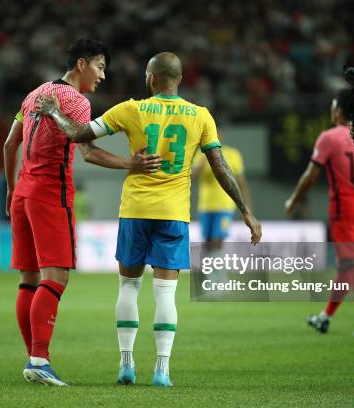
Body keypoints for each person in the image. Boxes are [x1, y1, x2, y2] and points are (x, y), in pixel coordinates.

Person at [36, 52, 262, 387]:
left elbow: (79, 135)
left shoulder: (131, 109)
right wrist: (245, 210)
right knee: (165, 293)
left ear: (150, 78)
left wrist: (54, 111)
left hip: (136, 211)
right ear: (179, 80)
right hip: (174, 215)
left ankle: (126, 365)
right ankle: (162, 371)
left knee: (128, 286)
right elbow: (219, 165)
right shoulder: (200, 116)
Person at [3, 39, 161, 386]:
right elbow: (87, 151)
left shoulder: (35, 94)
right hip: (49, 193)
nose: (103, 75)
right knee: (55, 278)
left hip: (23, 194)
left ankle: (35, 357)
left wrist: (12, 188)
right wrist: (129, 164)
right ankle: (39, 359)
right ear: (81, 64)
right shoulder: (75, 101)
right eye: (100, 67)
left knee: (28, 280)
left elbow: (9, 143)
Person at [285, 89, 354, 336]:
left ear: (338, 110)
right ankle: (325, 317)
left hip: (344, 209)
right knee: (346, 266)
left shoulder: (330, 137)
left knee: (353, 264)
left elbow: (311, 176)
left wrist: (294, 200)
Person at [192, 137, 252, 251]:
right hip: (205, 206)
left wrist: (247, 208)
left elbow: (241, 183)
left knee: (218, 240)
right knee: (207, 241)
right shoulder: (200, 155)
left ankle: (217, 268)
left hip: (225, 205)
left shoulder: (233, 154)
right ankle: (208, 267)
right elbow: (192, 178)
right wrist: (204, 161)